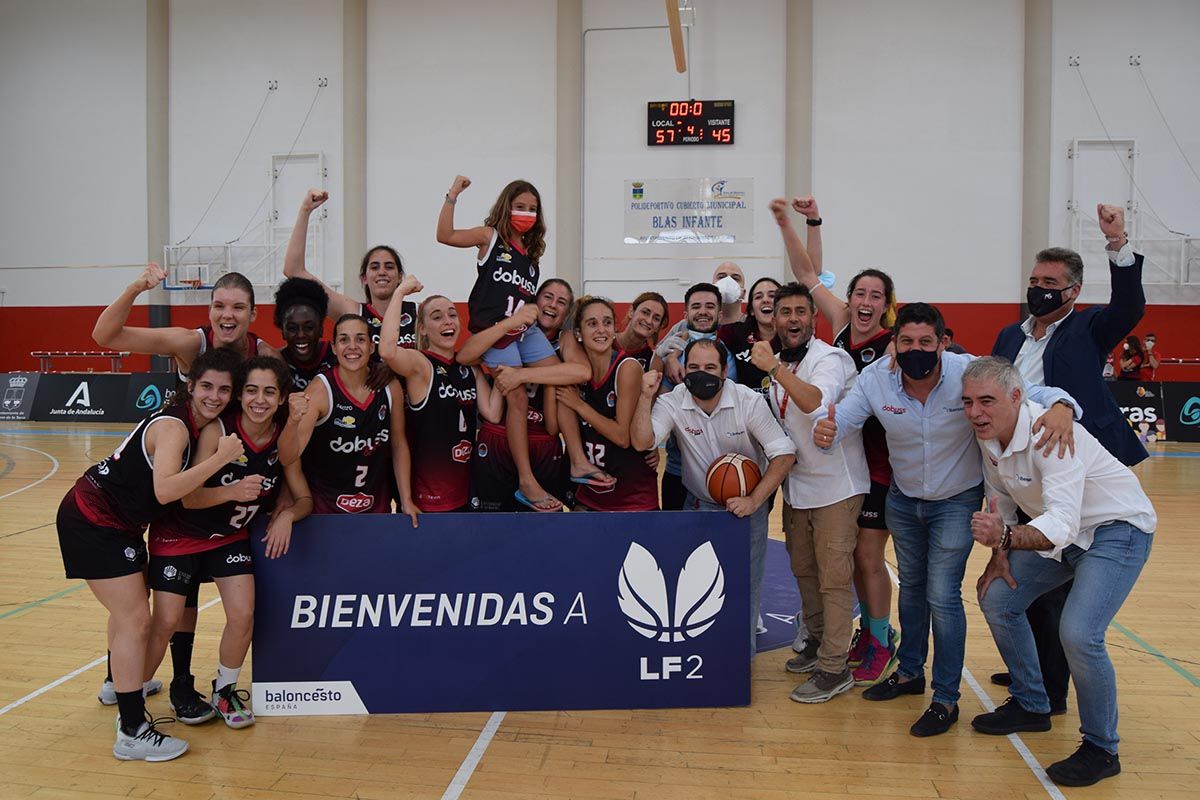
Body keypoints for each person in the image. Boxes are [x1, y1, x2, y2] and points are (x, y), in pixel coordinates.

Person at [813, 302, 1081, 737]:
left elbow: (1033, 391)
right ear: (894, 345)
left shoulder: (968, 372)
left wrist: (1064, 406)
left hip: (956, 503)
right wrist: (828, 431)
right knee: (913, 591)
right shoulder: (876, 378)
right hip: (903, 501)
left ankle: (946, 698)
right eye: (906, 342)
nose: (915, 349)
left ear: (943, 341)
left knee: (942, 595)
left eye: (925, 342)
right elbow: (842, 420)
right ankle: (910, 673)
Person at [91, 263, 280, 717]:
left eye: (237, 306)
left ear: (253, 313)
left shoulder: (265, 354)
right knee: (170, 610)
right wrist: (138, 286)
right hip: (180, 483)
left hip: (221, 486)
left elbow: (280, 401)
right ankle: (128, 680)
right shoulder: (187, 343)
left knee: (196, 607)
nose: (226, 314)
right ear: (209, 309)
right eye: (218, 305)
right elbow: (106, 336)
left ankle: (176, 685)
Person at [963, 357, 1154, 787]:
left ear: (1017, 397)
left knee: (1079, 634)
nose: (975, 412)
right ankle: (1032, 703)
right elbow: (1002, 496)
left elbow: (1062, 523)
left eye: (987, 401)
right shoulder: (989, 437)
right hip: (1064, 538)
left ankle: (1102, 749)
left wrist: (1006, 538)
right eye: (968, 402)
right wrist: (1000, 554)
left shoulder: (1048, 434)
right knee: (997, 597)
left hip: (1116, 530)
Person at [989, 203, 1147, 714]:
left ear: (1073, 291)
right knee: (1030, 582)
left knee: (1063, 588)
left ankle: (1053, 689)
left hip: (1075, 463)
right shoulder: (1011, 335)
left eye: (1050, 281)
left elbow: (1129, 309)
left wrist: (1117, 242)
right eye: (1034, 278)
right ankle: (1035, 668)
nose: (1038, 288)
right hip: (1025, 469)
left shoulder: (1090, 328)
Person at [55, 348, 244, 761]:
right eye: (207, 386)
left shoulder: (195, 423)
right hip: (92, 518)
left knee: (129, 616)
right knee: (137, 620)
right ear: (190, 385)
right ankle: (132, 730)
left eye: (224, 389)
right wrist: (220, 461)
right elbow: (166, 491)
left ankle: (115, 684)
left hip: (116, 521)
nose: (215, 395)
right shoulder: (176, 428)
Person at [144, 357, 312, 729]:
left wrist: (286, 515)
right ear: (240, 394)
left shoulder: (282, 436)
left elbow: (304, 498)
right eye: (251, 390)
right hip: (181, 533)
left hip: (228, 538)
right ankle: (132, 691)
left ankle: (225, 689)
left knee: (242, 614)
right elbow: (188, 497)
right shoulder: (218, 431)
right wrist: (233, 490)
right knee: (166, 621)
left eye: (269, 392)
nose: (259, 400)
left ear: (282, 398)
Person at [773, 197, 900, 684]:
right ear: (849, 300)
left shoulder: (891, 343)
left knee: (867, 559)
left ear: (885, 304)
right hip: (843, 453)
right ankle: (865, 634)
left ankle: (878, 636)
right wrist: (799, 223)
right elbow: (807, 273)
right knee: (853, 561)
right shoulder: (844, 325)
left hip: (880, 464)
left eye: (875, 295)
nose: (865, 302)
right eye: (859, 293)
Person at [631, 338, 794, 655]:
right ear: (684, 370)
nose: (700, 374)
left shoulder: (748, 401)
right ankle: (700, 654)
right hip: (699, 504)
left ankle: (738, 663)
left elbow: (784, 454)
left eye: (709, 368)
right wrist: (644, 396)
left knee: (745, 586)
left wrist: (754, 500)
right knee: (696, 584)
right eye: (693, 367)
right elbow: (642, 443)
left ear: (724, 371)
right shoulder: (673, 400)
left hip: (747, 507)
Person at [747, 283, 867, 699]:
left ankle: (836, 668)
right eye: (785, 312)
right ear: (773, 319)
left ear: (813, 318)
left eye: (801, 311)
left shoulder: (829, 358)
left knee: (834, 581)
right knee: (804, 572)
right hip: (797, 486)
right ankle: (817, 643)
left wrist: (774, 370)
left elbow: (815, 401)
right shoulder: (779, 362)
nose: (793, 319)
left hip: (837, 488)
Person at [438, 175, 565, 511]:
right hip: (493, 331)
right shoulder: (490, 238)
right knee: (519, 399)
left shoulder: (533, 262)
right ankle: (526, 480)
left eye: (533, 209)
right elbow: (444, 236)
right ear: (507, 207)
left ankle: (576, 459)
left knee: (564, 375)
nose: (526, 213)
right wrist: (453, 195)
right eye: (520, 206)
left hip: (522, 331)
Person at [378, 280, 504, 513]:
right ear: (423, 328)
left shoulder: (470, 368)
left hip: (467, 491)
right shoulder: (420, 365)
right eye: (437, 317)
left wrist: (500, 363)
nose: (447, 321)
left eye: (452, 315)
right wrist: (400, 292)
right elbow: (386, 351)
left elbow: (493, 413)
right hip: (429, 497)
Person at [459, 279, 584, 511]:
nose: (553, 304)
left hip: (543, 443)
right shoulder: (507, 331)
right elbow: (466, 355)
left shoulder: (565, 342)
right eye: (548, 296)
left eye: (562, 302)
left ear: (567, 312)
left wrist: (521, 375)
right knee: (490, 526)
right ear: (533, 301)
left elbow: (581, 372)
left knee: (541, 532)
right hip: (499, 439)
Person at [282, 314, 413, 522]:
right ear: (334, 347)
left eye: (360, 339)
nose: (352, 346)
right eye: (344, 339)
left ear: (372, 347)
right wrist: (292, 421)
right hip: (325, 513)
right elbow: (288, 456)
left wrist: (406, 500)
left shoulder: (390, 387)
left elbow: (398, 444)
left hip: (376, 511)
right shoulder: (320, 391)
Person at [283, 188, 418, 351]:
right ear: (364, 278)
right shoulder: (353, 311)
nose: (382, 272)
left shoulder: (418, 311)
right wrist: (305, 210)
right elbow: (293, 270)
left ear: (400, 277)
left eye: (389, 267)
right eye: (374, 267)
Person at [557, 297, 658, 512]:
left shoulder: (627, 368)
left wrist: (579, 405)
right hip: (591, 494)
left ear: (614, 329)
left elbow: (622, 437)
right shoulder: (575, 371)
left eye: (607, 322)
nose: (601, 330)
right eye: (592, 323)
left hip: (633, 499)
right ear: (578, 333)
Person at [652, 283, 739, 510]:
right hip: (677, 470)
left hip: (722, 471)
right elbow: (659, 404)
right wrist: (666, 359)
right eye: (696, 306)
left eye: (710, 306)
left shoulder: (728, 353)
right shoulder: (671, 350)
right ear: (686, 313)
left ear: (720, 314)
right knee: (674, 543)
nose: (702, 311)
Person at [719, 277, 781, 397]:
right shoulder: (734, 333)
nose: (765, 300)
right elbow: (704, 335)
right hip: (746, 411)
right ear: (752, 310)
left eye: (772, 296)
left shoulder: (793, 337)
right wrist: (674, 354)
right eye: (758, 297)